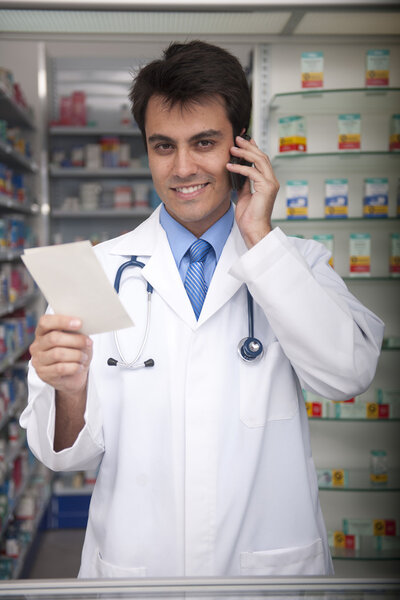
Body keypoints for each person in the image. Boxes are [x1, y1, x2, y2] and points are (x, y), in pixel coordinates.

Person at [20, 40, 384, 579]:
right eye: (163, 146)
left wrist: (260, 241)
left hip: (263, 573)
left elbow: (348, 374)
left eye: (205, 142)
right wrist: (69, 392)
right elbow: (63, 456)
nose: (183, 167)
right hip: (137, 572)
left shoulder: (294, 265)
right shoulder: (96, 271)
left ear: (242, 147)